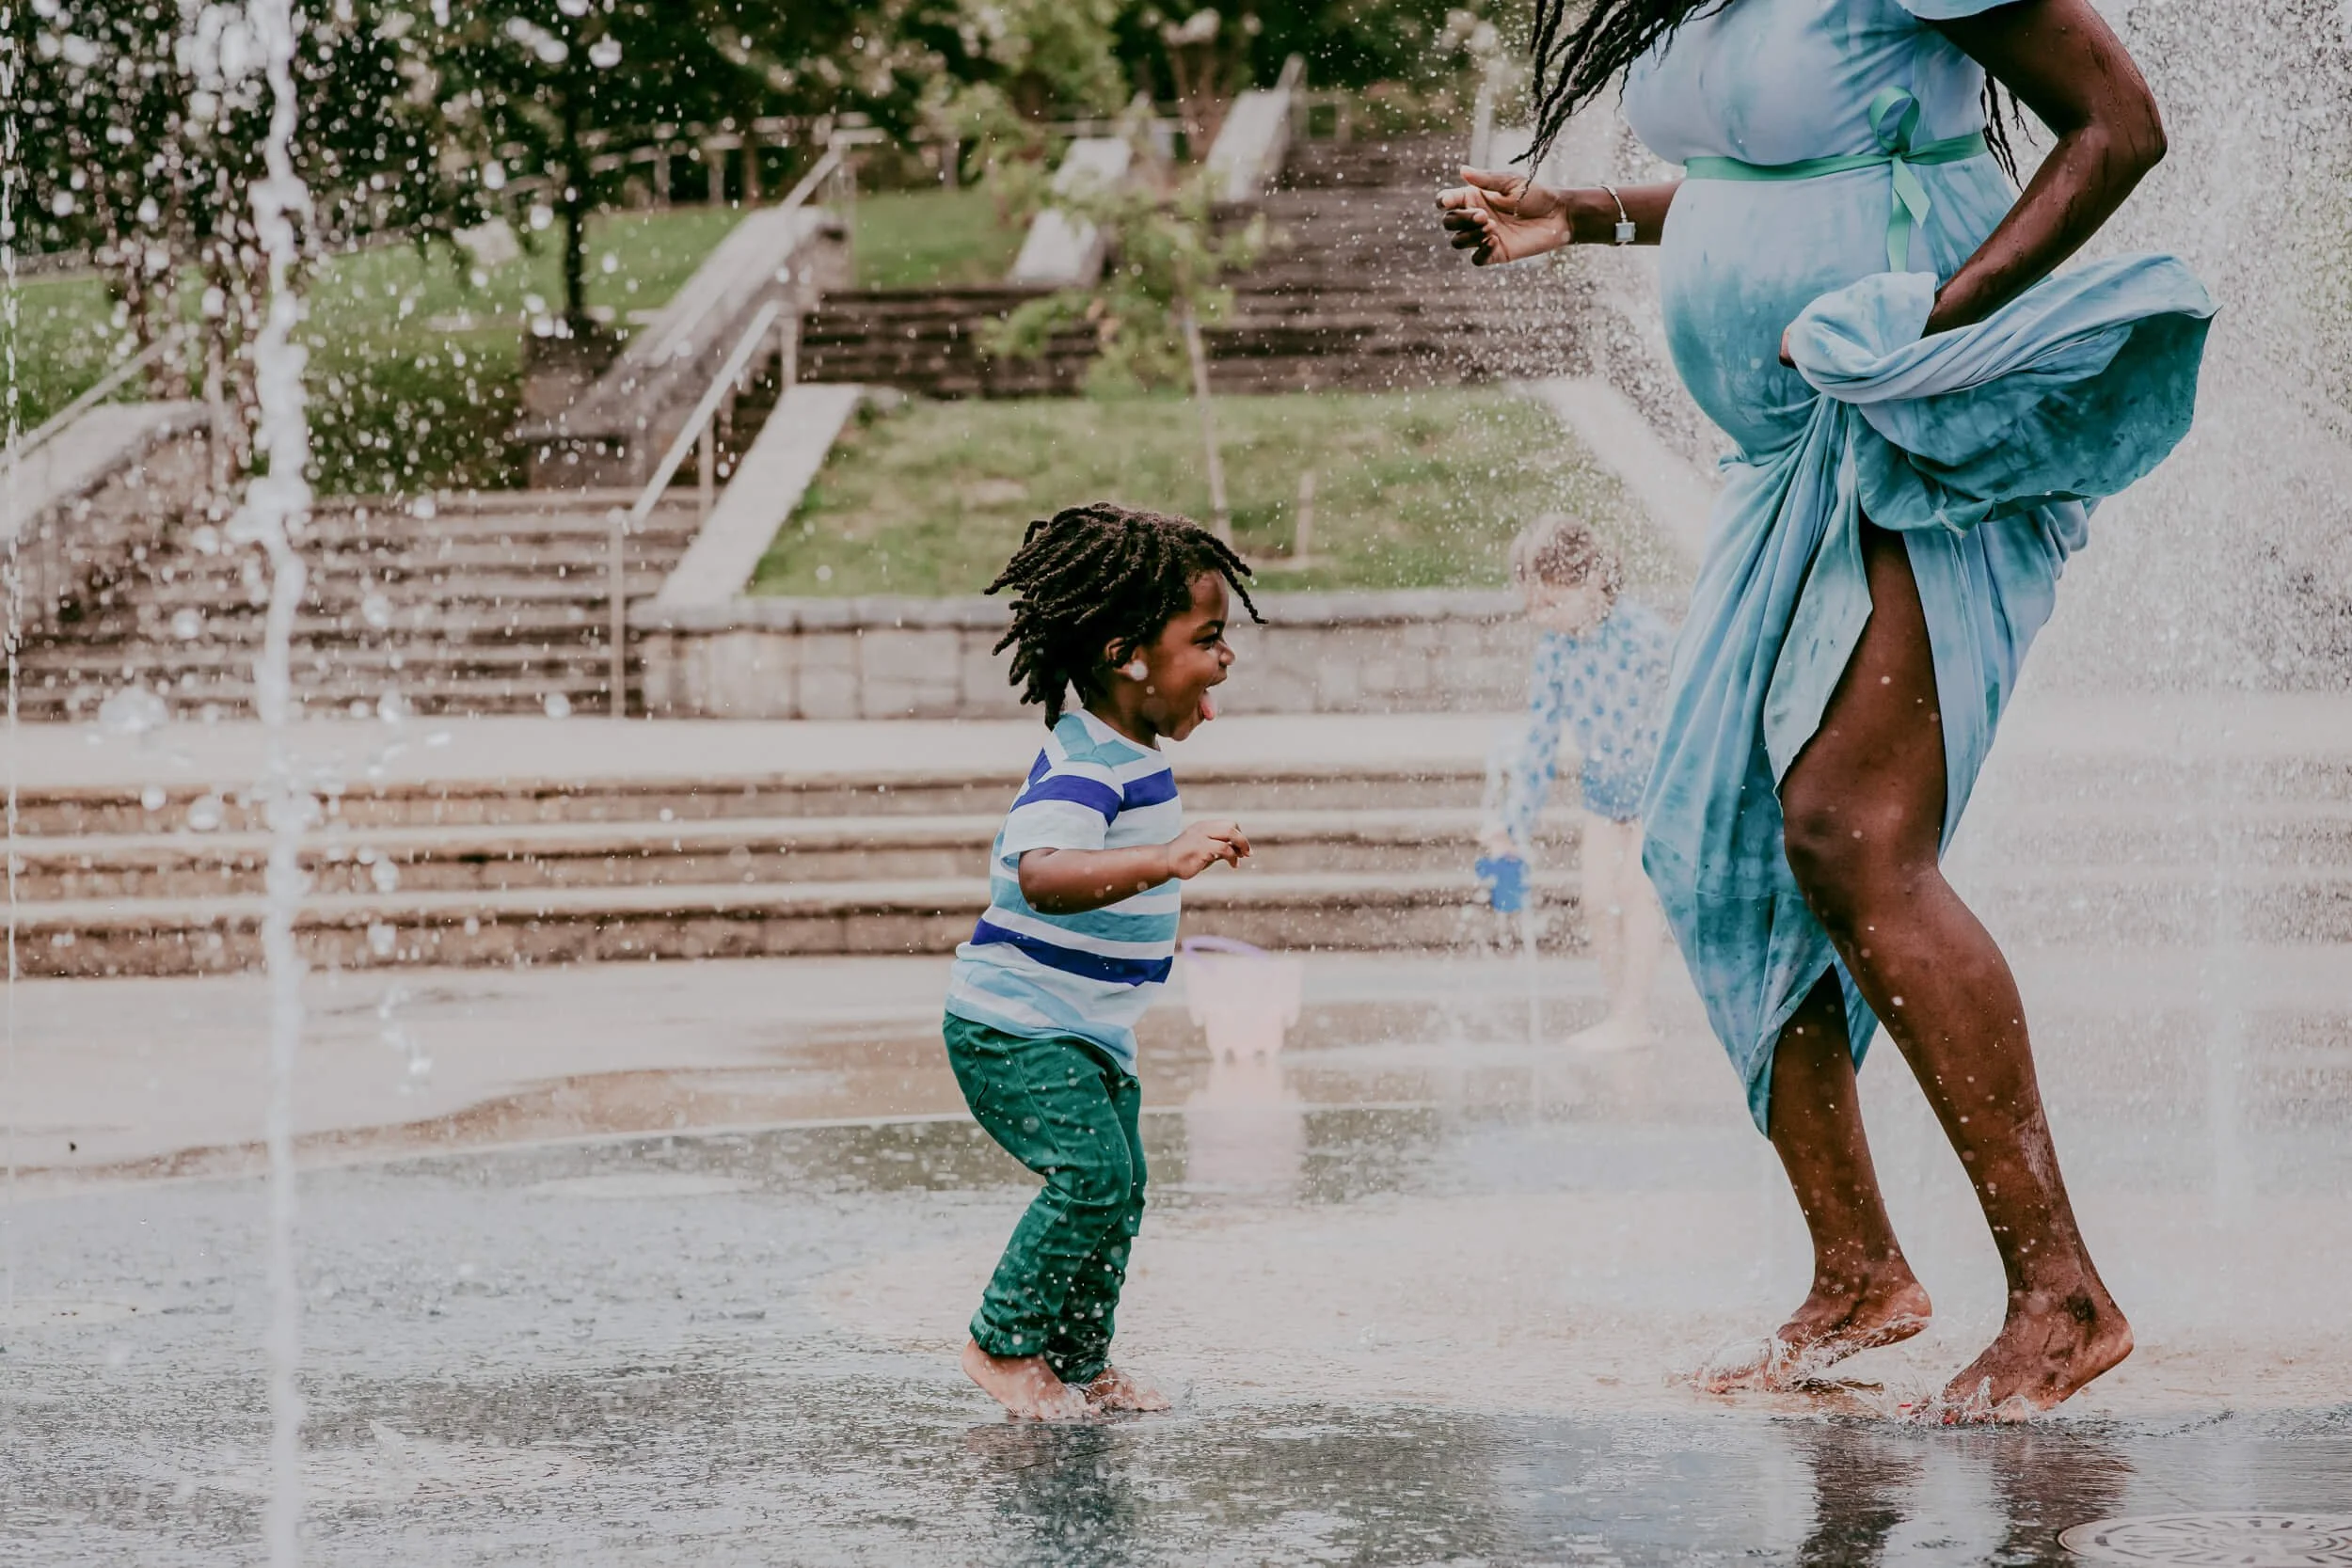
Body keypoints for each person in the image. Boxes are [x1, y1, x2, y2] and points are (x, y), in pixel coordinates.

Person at [1438, 0, 2213, 1418]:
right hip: (1785, 456)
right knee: (1705, 842)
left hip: (1925, 426)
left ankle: (2063, 1292)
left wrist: (1938, 312)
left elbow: (2119, 126)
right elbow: (1777, 177)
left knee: (1852, 829)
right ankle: (1858, 1270)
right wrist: (1586, 213)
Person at [943, 500, 1262, 1420]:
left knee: (1120, 1188)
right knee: (1092, 1177)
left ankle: (1082, 1360)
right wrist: (1165, 857)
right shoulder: (1086, 760)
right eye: (1206, 637)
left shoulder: (1136, 753)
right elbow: (1041, 873)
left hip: (1082, 1029)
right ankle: (1000, 1342)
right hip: (1015, 1026)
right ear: (1128, 654)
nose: (1224, 657)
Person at [1477, 515, 1673, 1053]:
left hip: (1656, 790)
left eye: (1550, 604)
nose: (1539, 617)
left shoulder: (1648, 637)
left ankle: (1634, 1017)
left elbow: (1690, 713)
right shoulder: (1556, 652)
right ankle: (1622, 1014)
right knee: (1595, 901)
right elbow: (1539, 743)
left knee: (1637, 895)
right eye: (1532, 606)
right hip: (1604, 793)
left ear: (1590, 582)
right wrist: (1514, 826)